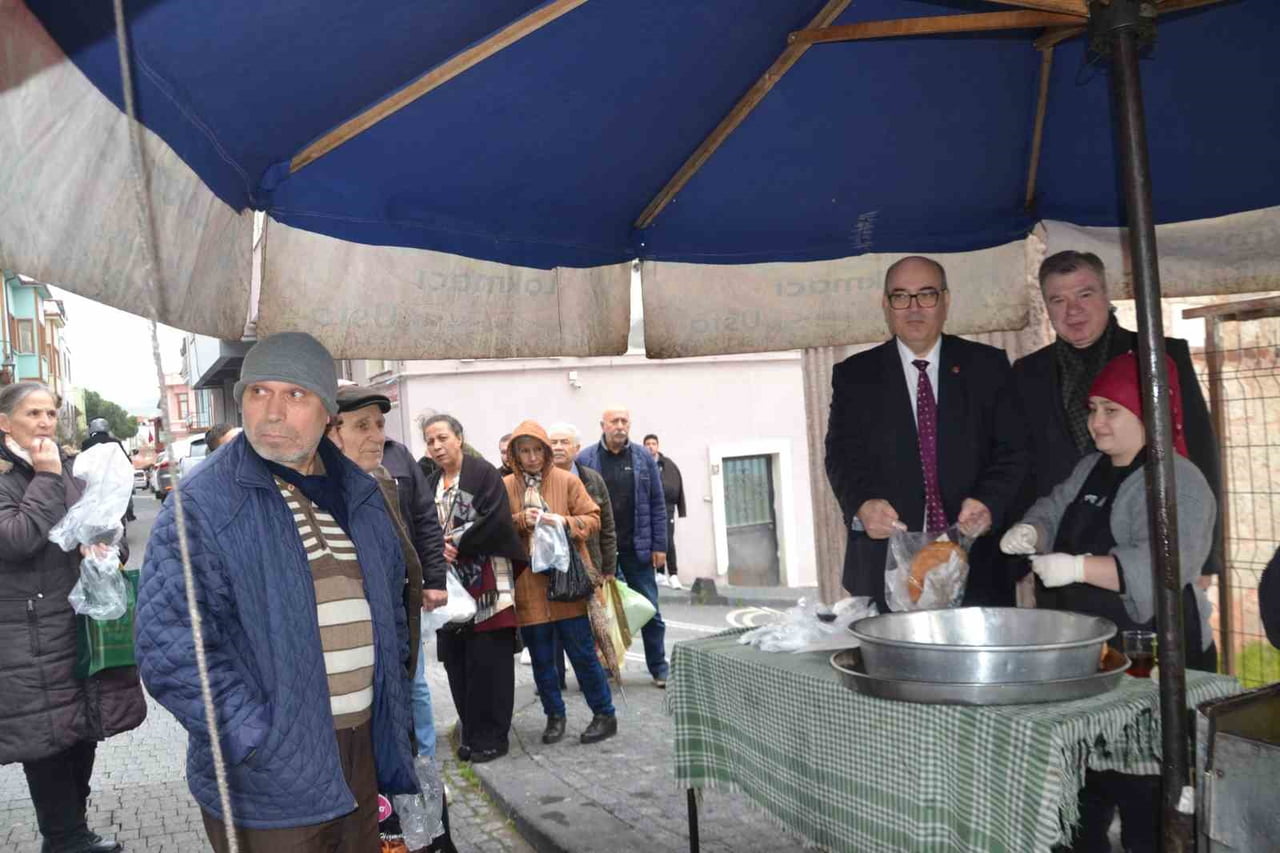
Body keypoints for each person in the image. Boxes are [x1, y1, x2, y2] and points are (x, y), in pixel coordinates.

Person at [136, 332, 418, 852]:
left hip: (360, 750)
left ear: (327, 410)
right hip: (267, 770)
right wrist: (256, 738)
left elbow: (393, 616)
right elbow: (171, 646)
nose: (271, 411)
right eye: (258, 392)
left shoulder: (361, 495)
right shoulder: (204, 503)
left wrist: (391, 713)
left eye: (294, 395)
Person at [1001, 351, 1216, 853]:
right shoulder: (1091, 467)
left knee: (1147, 804)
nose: (1096, 422)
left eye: (1111, 411)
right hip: (1093, 659)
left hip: (1153, 665)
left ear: (1149, 413)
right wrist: (1033, 528)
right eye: (1093, 408)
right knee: (1083, 800)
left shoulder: (1179, 482)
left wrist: (1076, 568)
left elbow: (1166, 562)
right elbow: (1055, 505)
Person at [824, 256, 1028, 610]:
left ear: (946, 300)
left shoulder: (988, 366)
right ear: (886, 305)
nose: (914, 308)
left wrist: (989, 502)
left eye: (927, 295)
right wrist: (861, 505)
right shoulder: (854, 376)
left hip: (976, 562)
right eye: (901, 296)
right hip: (887, 565)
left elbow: (1015, 450)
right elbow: (841, 455)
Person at [1008, 250, 1222, 588]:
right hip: (1060, 557)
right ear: (1046, 308)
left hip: (1147, 549)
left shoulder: (1159, 355)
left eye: (1084, 294)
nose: (1073, 310)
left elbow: (1201, 452)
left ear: (1107, 295)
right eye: (1058, 300)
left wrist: (1207, 561)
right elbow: (1022, 463)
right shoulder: (1027, 373)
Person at [0, 381, 145, 853]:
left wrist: (106, 545)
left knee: (82, 730)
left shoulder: (70, 466)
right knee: (48, 741)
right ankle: (62, 838)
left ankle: (73, 832)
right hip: (25, 637)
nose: (44, 423)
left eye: (50, 414)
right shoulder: (15, 474)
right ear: (5, 423)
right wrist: (43, 477)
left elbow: (106, 522)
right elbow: (16, 539)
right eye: (32, 414)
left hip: (76, 625)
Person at [329, 385, 455, 852]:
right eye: (362, 425)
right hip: (343, 697)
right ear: (331, 432)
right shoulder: (318, 497)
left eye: (380, 424)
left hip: (388, 671)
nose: (377, 434)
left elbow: (414, 542)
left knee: (394, 810)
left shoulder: (382, 479)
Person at [504, 421, 617, 745]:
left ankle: (604, 713)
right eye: (524, 451)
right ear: (515, 454)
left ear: (546, 451)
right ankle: (555, 717)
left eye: (537, 449)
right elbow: (497, 527)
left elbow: (593, 518)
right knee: (542, 660)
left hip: (569, 587)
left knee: (582, 654)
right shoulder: (507, 486)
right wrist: (518, 521)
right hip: (530, 588)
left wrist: (564, 522)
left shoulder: (567, 481)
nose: (532, 457)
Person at [422, 414, 526, 763]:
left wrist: (456, 542)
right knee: (457, 660)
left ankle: (494, 737)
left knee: (490, 661)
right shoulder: (430, 480)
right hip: (450, 583)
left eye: (442, 438)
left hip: (487, 580)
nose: (436, 446)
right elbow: (422, 523)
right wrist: (438, 546)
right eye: (430, 441)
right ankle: (470, 732)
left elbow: (496, 518)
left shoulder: (483, 474)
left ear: (459, 437)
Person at [577, 406, 670, 687]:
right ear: (602, 425)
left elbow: (657, 503)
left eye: (624, 421)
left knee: (650, 608)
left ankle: (658, 667)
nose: (620, 426)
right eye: (614, 421)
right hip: (602, 551)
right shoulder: (587, 458)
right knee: (602, 614)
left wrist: (660, 545)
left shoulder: (643, 457)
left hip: (637, 547)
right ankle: (605, 668)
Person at [547, 422, 617, 690]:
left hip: (590, 564)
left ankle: (600, 672)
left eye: (564, 442)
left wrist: (608, 567)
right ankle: (557, 679)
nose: (558, 447)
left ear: (577, 448)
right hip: (554, 568)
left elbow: (607, 524)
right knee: (553, 628)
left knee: (594, 623)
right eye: (553, 443)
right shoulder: (540, 482)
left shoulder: (592, 479)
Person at [643, 433, 685, 589]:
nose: (650, 446)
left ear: (658, 446)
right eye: (647, 443)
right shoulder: (642, 463)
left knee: (668, 540)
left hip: (666, 509)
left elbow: (674, 486)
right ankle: (659, 573)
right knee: (651, 540)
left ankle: (673, 574)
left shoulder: (667, 465)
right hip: (647, 509)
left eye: (653, 443)